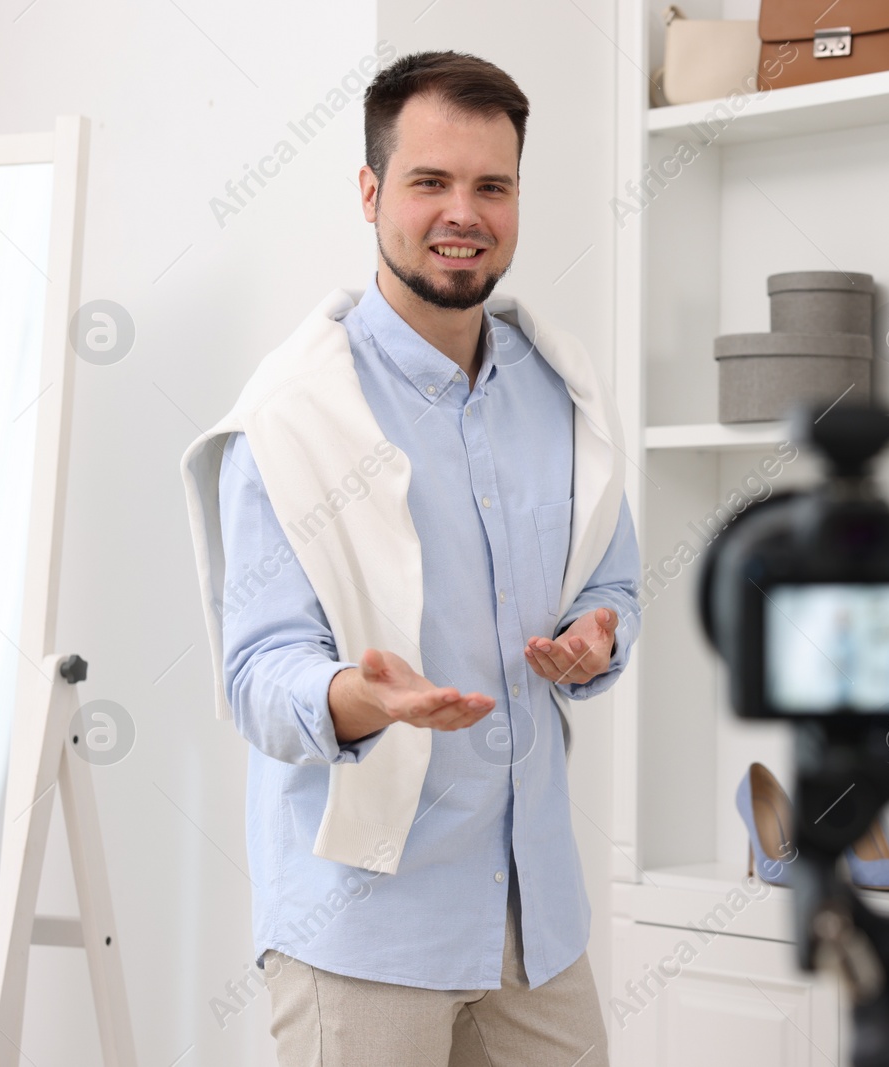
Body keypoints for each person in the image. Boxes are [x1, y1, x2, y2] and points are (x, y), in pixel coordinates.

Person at [189, 49, 640, 1065]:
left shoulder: (562, 393)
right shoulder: (292, 418)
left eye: (492, 185)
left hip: (536, 920)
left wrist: (599, 632)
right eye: (429, 181)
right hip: (363, 931)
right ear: (369, 191)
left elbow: (610, 575)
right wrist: (361, 696)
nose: (462, 213)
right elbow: (258, 675)